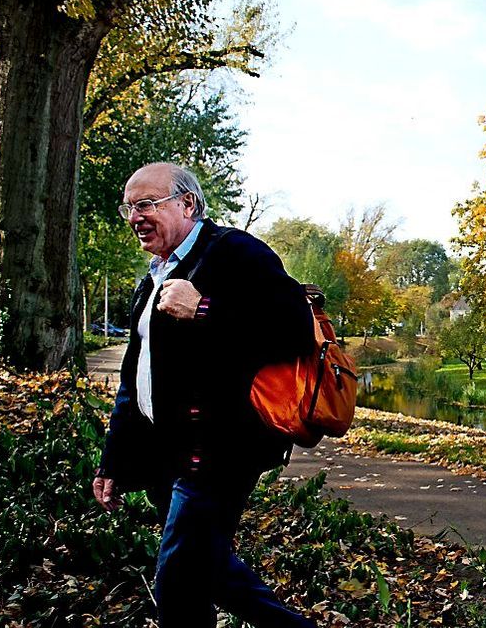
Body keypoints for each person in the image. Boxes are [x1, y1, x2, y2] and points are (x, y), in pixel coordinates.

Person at [92, 162, 316, 627]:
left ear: (187, 204)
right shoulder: (153, 276)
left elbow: (294, 329)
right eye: (129, 208)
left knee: (177, 584)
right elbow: (137, 380)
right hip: (165, 455)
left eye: (147, 204)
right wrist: (113, 460)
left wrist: (205, 308)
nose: (135, 216)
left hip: (220, 454)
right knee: (209, 570)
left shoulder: (236, 252)